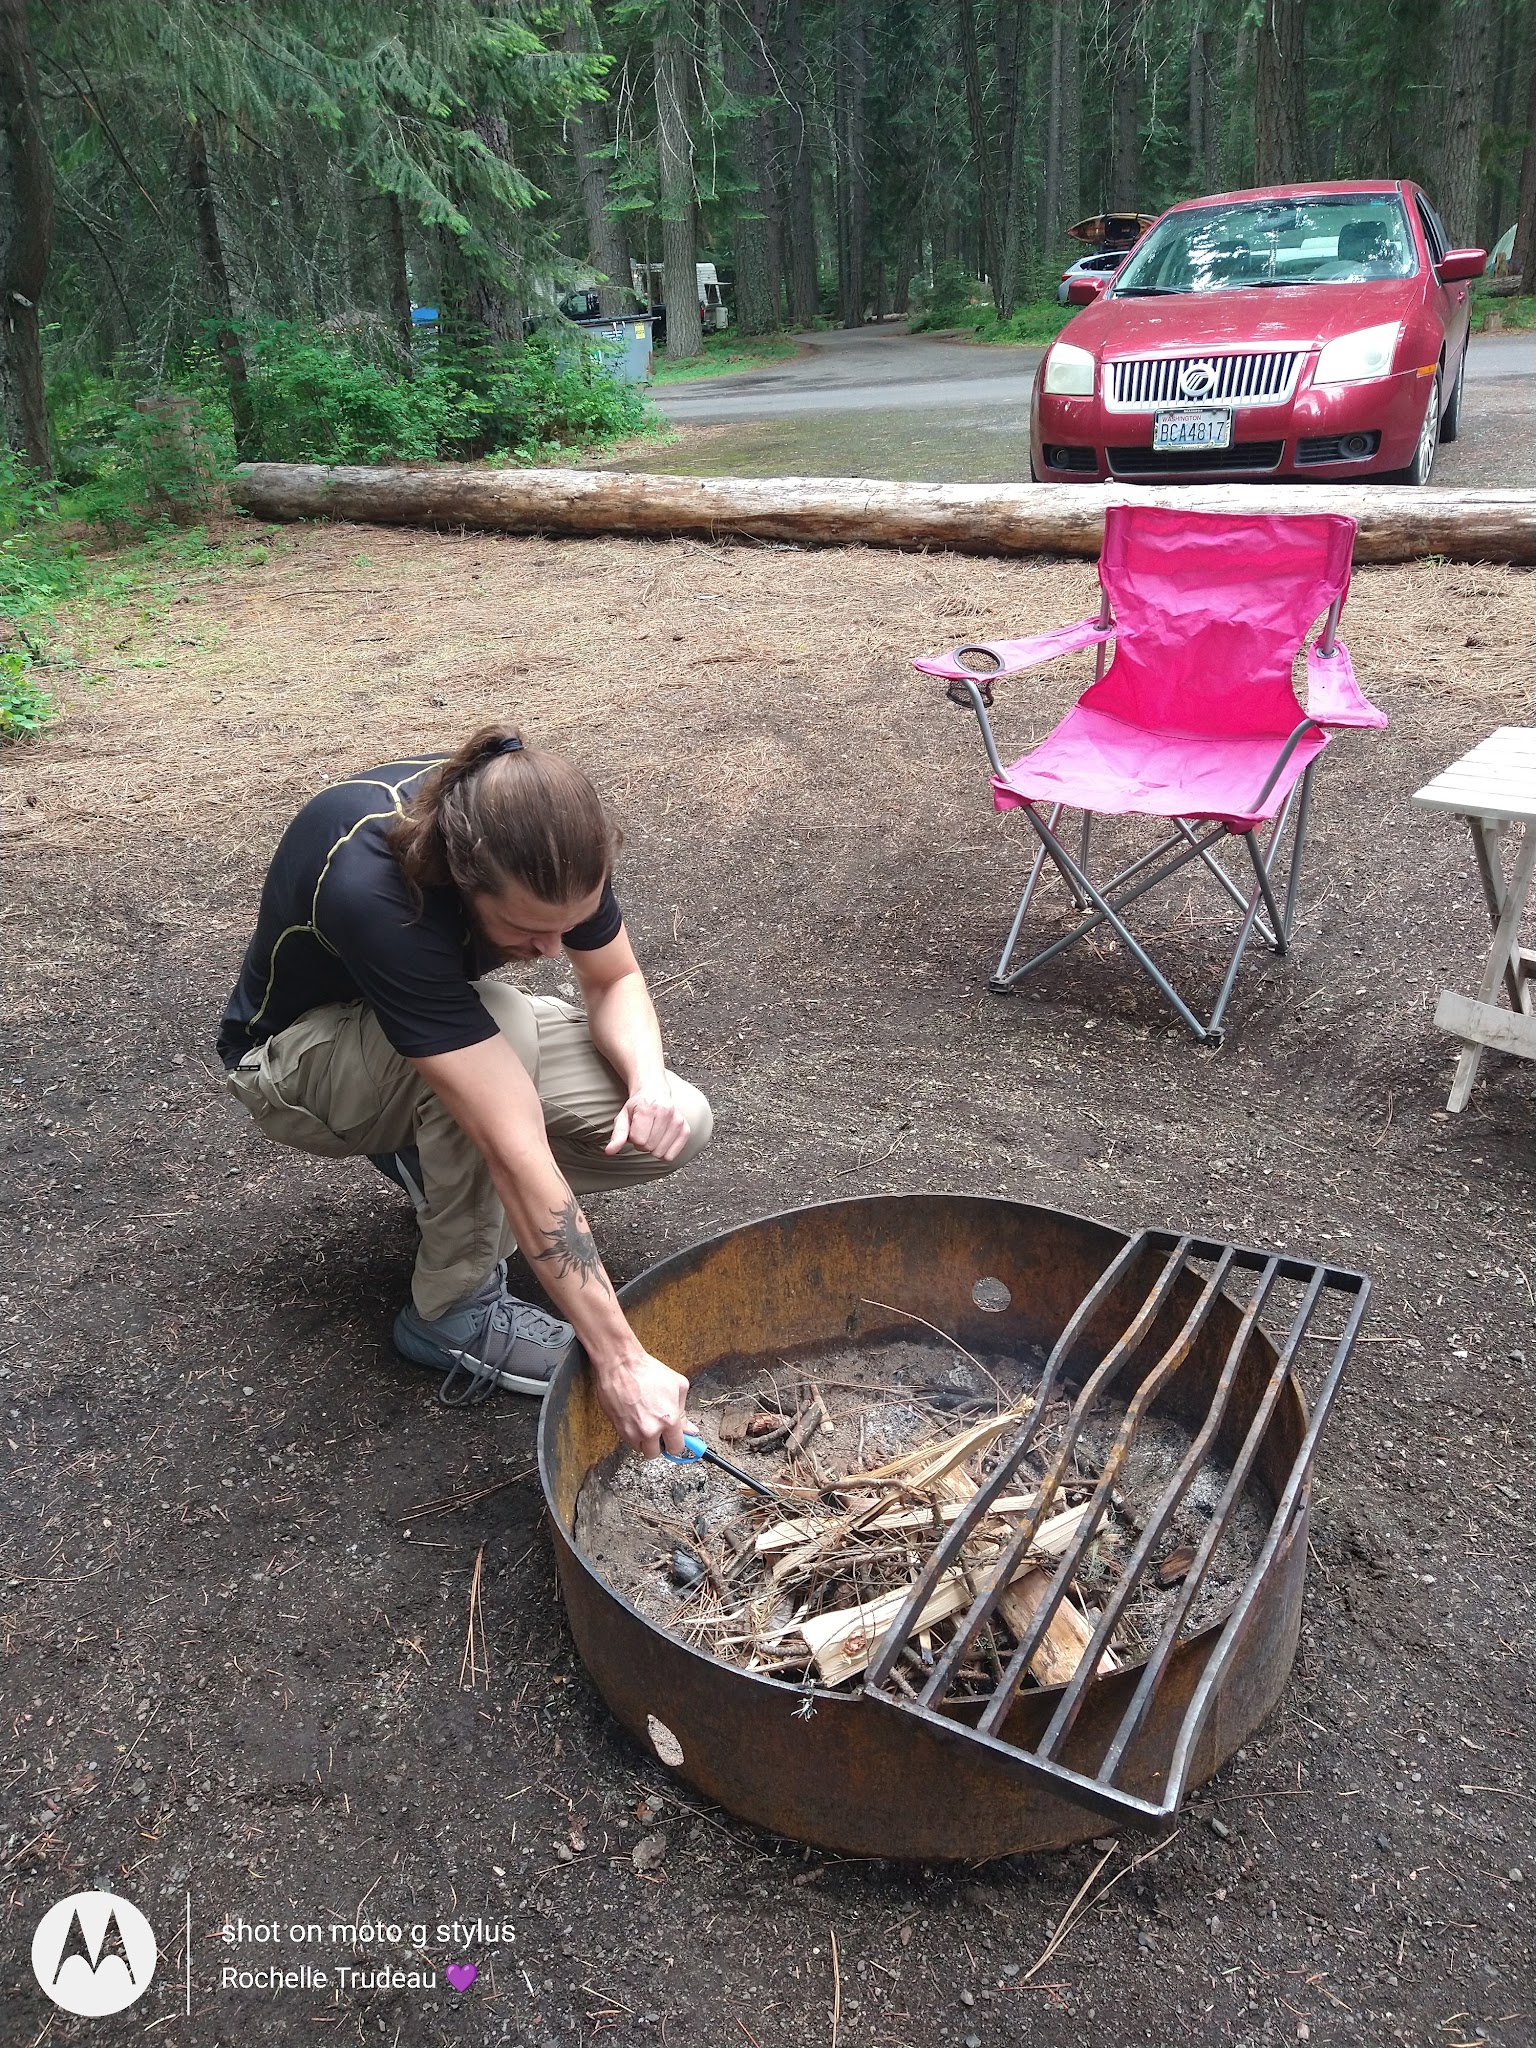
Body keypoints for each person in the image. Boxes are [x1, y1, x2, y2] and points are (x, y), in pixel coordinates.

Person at [217, 726, 712, 1455]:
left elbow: (614, 978)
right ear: (462, 878)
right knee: (503, 1030)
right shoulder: (376, 888)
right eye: (527, 929)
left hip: (426, 1025)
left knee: (682, 1118)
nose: (551, 950)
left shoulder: (548, 842)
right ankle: (450, 1314)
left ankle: (435, 1162)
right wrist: (620, 1357)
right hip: (292, 1067)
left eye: (569, 925)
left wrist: (645, 1085)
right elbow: (513, 1147)